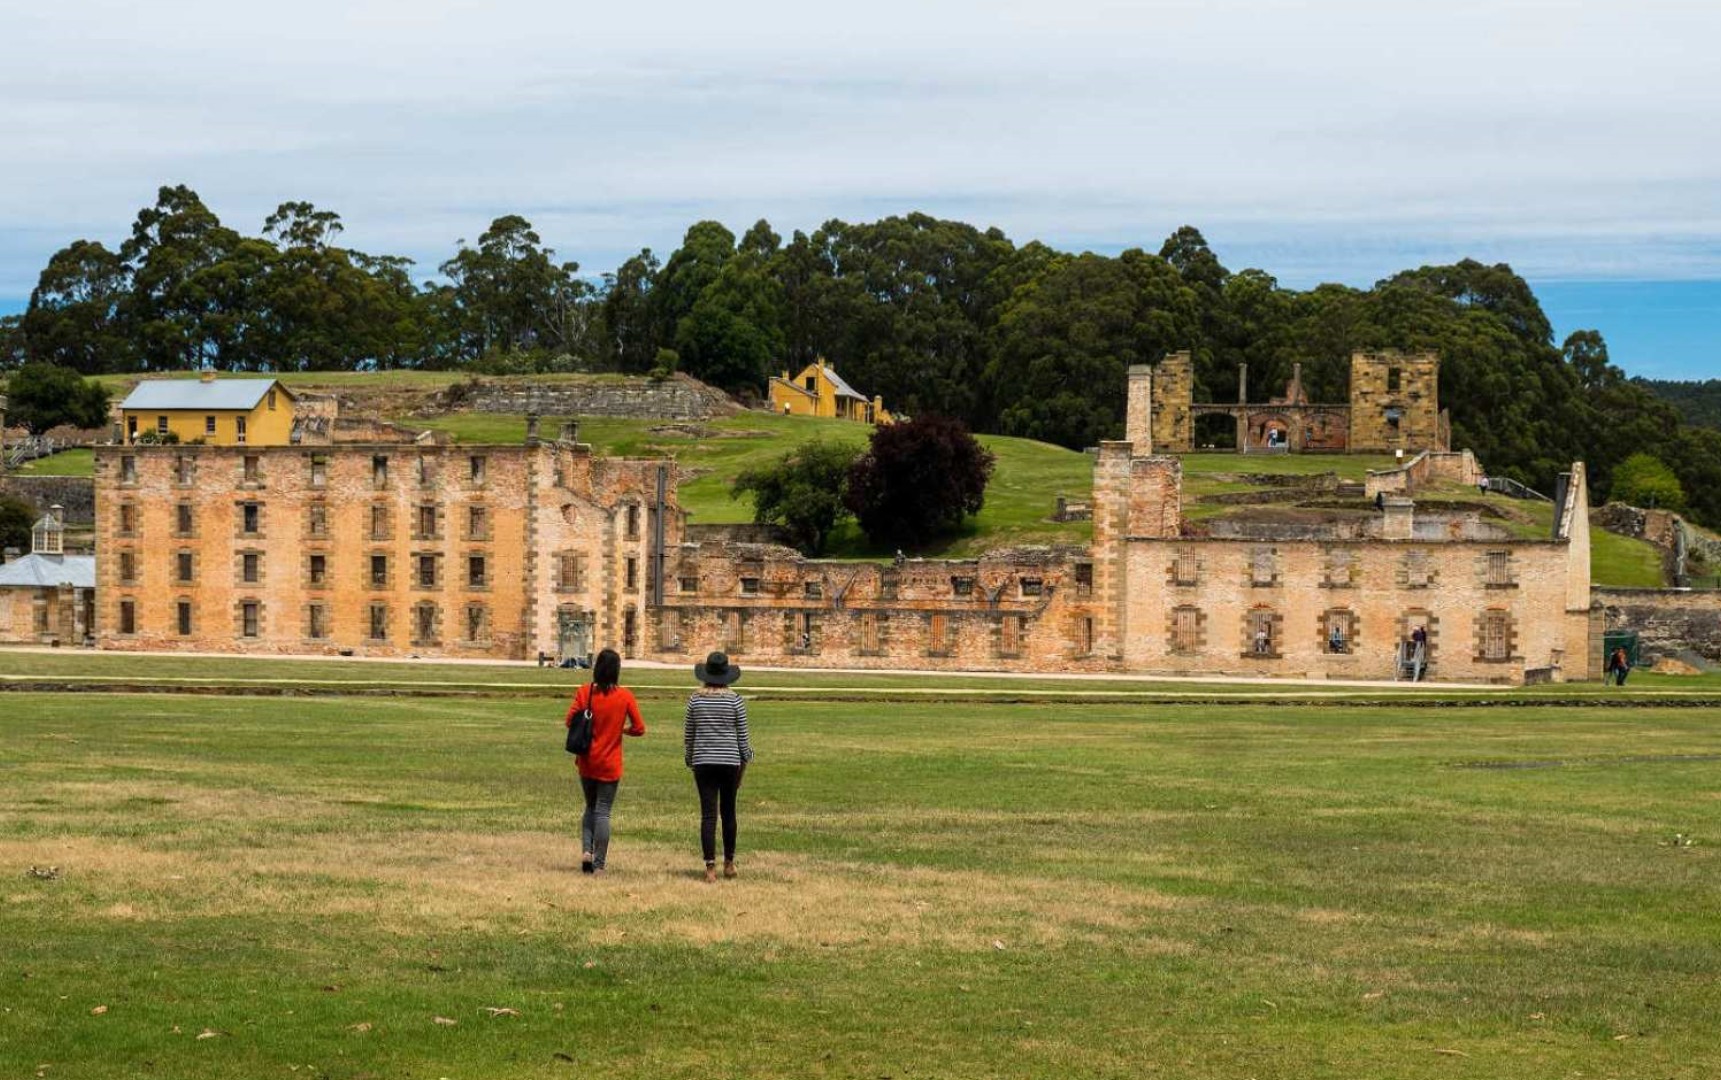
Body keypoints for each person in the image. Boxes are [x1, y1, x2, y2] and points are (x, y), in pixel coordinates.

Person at [564, 647, 645, 875]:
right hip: (610, 763)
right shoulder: (625, 696)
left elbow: (570, 720)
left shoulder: (584, 692)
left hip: (587, 761)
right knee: (603, 811)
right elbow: (640, 728)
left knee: (590, 807)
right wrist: (622, 730)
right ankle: (599, 864)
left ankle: (586, 851)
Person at [685, 650, 753, 883]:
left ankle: (710, 867)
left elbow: (689, 735)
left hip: (703, 761)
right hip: (729, 762)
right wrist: (746, 759)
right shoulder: (735, 700)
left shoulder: (695, 699)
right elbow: (742, 738)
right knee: (729, 812)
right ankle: (730, 862)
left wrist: (689, 758)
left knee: (708, 815)